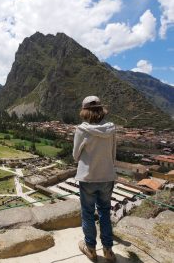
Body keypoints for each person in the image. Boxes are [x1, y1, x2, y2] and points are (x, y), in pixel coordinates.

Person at [73, 96, 116, 262]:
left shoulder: (82, 130)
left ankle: (90, 248)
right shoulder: (111, 128)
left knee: (88, 213)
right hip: (107, 176)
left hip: (88, 177)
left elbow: (76, 155)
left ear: (84, 111)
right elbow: (113, 153)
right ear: (101, 110)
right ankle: (108, 250)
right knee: (105, 212)